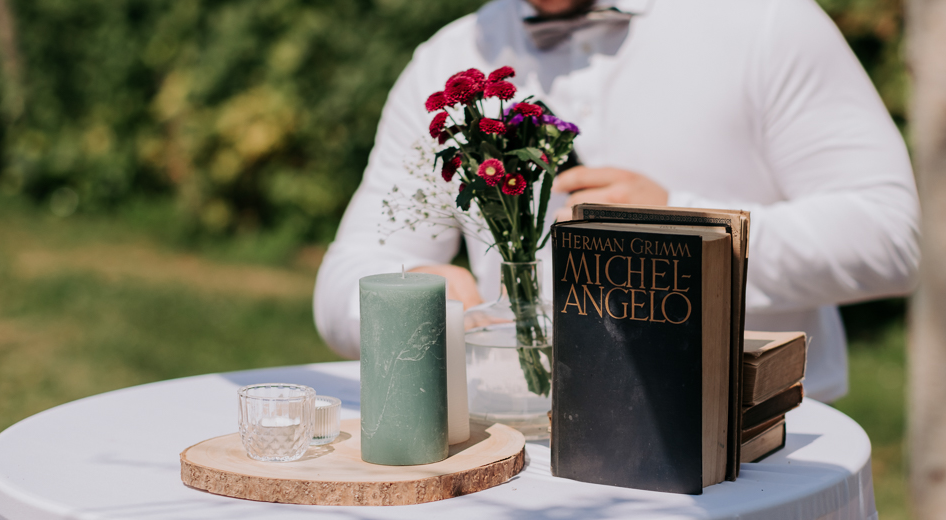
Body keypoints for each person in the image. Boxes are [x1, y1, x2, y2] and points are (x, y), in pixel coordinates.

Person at [314, 0, 919, 402]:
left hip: (751, 456)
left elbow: (896, 238)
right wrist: (412, 293)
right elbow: (349, 274)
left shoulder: (766, 20)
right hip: (512, 457)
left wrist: (685, 229)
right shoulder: (447, 60)